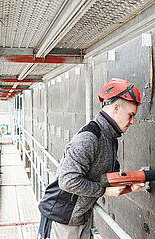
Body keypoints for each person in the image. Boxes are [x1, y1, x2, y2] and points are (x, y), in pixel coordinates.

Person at [38, 78, 145, 239]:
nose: (132, 122)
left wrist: (132, 183)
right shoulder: (90, 138)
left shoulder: (110, 139)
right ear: (116, 108)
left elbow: (108, 180)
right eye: (130, 115)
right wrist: (103, 190)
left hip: (80, 217)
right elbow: (68, 181)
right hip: (62, 219)